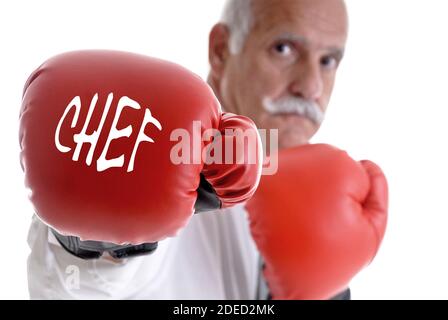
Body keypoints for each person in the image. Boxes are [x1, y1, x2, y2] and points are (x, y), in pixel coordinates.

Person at [26, 0, 351, 299]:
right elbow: (79, 287)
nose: (311, 85)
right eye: (284, 49)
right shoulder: (157, 151)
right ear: (221, 50)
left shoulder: (327, 198)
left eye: (328, 60)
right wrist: (95, 246)